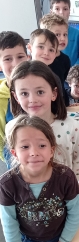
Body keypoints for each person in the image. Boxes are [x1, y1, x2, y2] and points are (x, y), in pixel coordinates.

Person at [0, 116, 79, 242]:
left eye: (42, 146)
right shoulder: (7, 184)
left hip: (60, 238)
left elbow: (75, 213)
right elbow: (9, 223)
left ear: (52, 150)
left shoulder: (65, 177)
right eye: (25, 147)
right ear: (14, 152)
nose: (34, 152)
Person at [6, 60, 79, 180]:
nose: (32, 99)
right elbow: (17, 165)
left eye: (40, 92)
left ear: (54, 93)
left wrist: (70, 188)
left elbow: (78, 161)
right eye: (24, 93)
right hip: (28, 195)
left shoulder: (71, 127)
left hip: (64, 193)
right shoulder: (11, 128)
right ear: (16, 97)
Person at [0, 31, 28, 162]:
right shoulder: (1, 99)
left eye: (20, 56)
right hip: (15, 159)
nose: (16, 63)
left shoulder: (39, 86)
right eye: (7, 59)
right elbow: (1, 141)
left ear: (28, 58)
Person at [39, 14, 71, 106]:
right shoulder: (41, 60)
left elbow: (61, 83)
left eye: (65, 34)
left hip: (62, 104)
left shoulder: (65, 60)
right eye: (57, 34)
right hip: (44, 105)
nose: (62, 38)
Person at [50, 0, 79, 66]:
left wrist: (74, 70)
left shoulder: (76, 33)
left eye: (65, 9)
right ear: (51, 12)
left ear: (69, 11)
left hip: (72, 75)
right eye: (57, 9)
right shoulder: (47, 34)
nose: (61, 12)